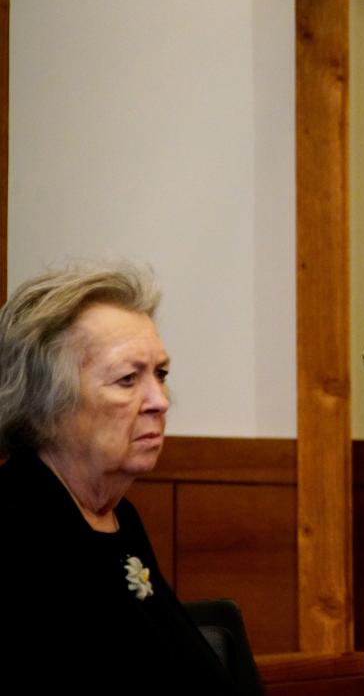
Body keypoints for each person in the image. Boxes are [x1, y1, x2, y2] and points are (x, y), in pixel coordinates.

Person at [0, 262, 240, 694]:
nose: (159, 401)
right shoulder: (15, 528)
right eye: (128, 379)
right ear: (48, 401)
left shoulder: (117, 518)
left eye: (160, 374)